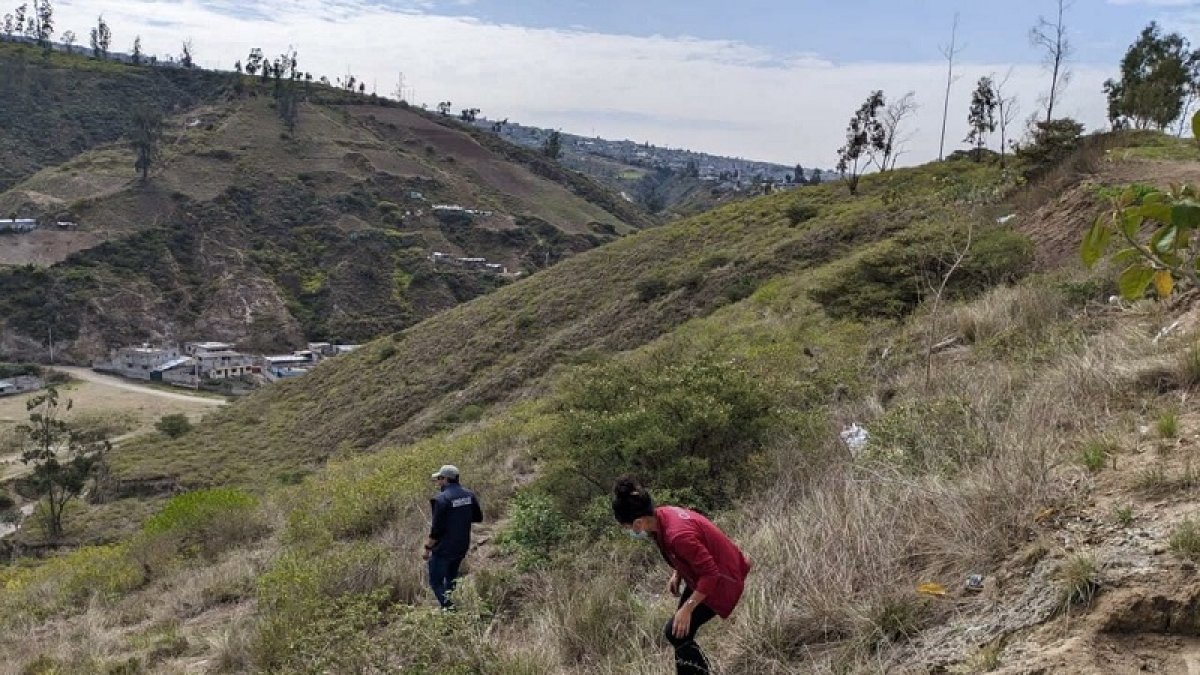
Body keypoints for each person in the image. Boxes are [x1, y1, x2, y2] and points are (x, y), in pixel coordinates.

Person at [612, 476, 751, 675]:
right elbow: (688, 552)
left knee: (676, 633)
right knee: (678, 634)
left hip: (723, 580)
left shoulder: (677, 535)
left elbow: (711, 574)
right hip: (706, 575)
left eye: (626, 527)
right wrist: (677, 573)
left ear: (638, 523)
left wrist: (687, 608)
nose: (627, 532)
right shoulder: (661, 516)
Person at [423, 464, 483, 609]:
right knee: (451, 578)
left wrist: (427, 548)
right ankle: (452, 604)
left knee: (435, 582)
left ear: (445, 479)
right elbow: (478, 517)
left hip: (443, 548)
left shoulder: (441, 499)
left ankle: (449, 610)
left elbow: (436, 530)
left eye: (439, 479)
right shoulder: (469, 495)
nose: (437, 482)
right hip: (461, 545)